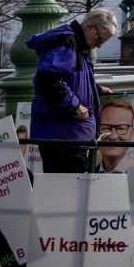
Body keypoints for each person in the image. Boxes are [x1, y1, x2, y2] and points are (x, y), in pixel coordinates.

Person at [27, 9, 116, 173]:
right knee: (69, 191)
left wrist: (95, 90)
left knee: (69, 192)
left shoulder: (76, 46)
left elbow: (69, 79)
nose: (99, 44)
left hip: (68, 136)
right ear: (89, 27)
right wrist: (74, 106)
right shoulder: (68, 43)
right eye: (100, 38)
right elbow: (48, 79)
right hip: (64, 137)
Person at [95, 96, 134, 173]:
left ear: (131, 134)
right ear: (96, 132)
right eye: (106, 128)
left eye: (121, 128)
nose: (113, 136)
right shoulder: (82, 175)